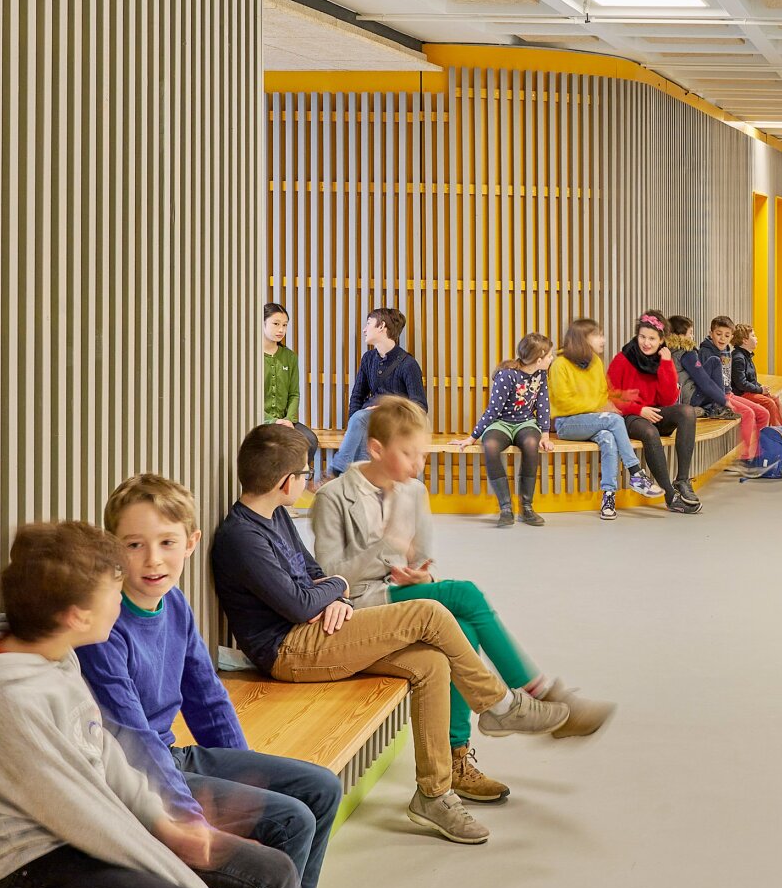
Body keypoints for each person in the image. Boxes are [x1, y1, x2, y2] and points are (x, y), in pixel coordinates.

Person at [0, 522, 301, 888]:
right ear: (77, 616)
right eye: (113, 591)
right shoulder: (11, 703)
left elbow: (103, 751)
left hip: (81, 834)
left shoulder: (47, 652)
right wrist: (179, 868)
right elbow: (85, 814)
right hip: (29, 874)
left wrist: (167, 823)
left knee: (273, 875)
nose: (121, 601)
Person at [211, 422, 580, 846]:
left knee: (431, 662)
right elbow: (299, 603)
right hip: (290, 651)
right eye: (303, 474)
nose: (307, 480)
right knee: (428, 612)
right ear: (284, 482)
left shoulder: (273, 515)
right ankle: (498, 703)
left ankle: (434, 794)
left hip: (319, 631)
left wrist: (329, 596)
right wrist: (339, 589)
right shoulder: (241, 537)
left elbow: (313, 574)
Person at [310, 395, 614, 803]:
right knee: (465, 594)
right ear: (376, 449)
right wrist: (386, 547)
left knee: (465, 630)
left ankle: (457, 758)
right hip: (359, 608)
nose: (418, 464)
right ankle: (531, 696)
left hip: (402, 595)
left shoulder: (414, 492)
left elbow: (422, 560)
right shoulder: (333, 497)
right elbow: (332, 578)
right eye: (408, 454)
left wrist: (421, 573)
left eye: (421, 453)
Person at [79, 474, 340, 888]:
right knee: (291, 822)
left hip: (172, 758)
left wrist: (249, 787)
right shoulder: (106, 627)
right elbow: (132, 739)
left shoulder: (175, 603)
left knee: (322, 788)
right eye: (134, 544)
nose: (153, 559)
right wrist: (189, 816)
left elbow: (207, 699)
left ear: (192, 542)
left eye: (166, 542)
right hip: (131, 777)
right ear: (111, 547)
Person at [547, 317, 663, 520]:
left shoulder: (595, 363)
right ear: (582, 339)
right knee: (614, 420)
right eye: (598, 335)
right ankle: (636, 473)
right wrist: (601, 407)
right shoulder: (560, 365)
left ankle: (608, 497)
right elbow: (563, 403)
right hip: (567, 423)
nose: (603, 340)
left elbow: (602, 395)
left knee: (608, 438)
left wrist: (622, 397)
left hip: (592, 420)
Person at [458, 334, 556, 529]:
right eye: (549, 356)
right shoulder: (507, 375)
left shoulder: (541, 374)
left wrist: (545, 434)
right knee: (491, 446)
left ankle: (527, 507)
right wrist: (472, 437)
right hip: (501, 423)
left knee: (530, 444)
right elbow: (493, 410)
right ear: (539, 360)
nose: (552, 359)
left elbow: (543, 403)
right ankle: (505, 508)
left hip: (525, 422)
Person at [609, 311, 702, 514]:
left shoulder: (662, 359)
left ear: (661, 340)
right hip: (630, 416)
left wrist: (667, 364)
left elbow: (668, 399)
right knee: (649, 431)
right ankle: (670, 496)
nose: (646, 343)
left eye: (652, 338)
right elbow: (611, 396)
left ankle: (682, 481)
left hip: (654, 412)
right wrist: (639, 409)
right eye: (642, 337)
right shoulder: (623, 359)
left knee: (687, 412)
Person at [327, 306, 427, 476]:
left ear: (381, 327)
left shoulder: (408, 364)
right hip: (368, 421)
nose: (364, 329)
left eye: (368, 323)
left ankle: (337, 471)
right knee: (361, 426)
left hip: (395, 422)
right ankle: (362, 485)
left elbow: (420, 406)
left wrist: (386, 409)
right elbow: (357, 395)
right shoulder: (368, 359)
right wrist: (353, 426)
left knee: (361, 419)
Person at [671, 314, 766, 462]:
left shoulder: (673, 351)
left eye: (727, 335)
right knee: (748, 413)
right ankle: (748, 457)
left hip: (697, 396)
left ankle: (757, 452)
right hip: (694, 398)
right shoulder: (688, 353)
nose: (693, 336)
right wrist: (722, 400)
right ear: (681, 335)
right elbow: (704, 381)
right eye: (690, 333)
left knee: (763, 413)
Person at [714, 316, 782, 442]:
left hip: (748, 391)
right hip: (742, 394)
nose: (756, 339)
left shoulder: (746, 356)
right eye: (753, 336)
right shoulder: (738, 358)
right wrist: (760, 390)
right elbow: (741, 384)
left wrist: (762, 388)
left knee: (774, 398)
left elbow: (752, 379)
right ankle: (779, 435)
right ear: (745, 340)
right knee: (769, 403)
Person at [261, 302, 321, 473]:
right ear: (262, 323)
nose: (281, 330)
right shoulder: (251, 356)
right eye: (276, 324)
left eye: (285, 325)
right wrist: (272, 421)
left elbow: (294, 394)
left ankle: (290, 484)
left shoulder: (290, 357)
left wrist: (288, 420)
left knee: (309, 440)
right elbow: (247, 398)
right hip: (259, 419)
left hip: (286, 420)